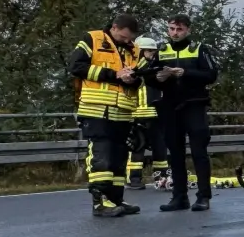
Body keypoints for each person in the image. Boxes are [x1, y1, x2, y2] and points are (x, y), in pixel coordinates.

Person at [68, 14, 143, 217]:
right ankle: (100, 202)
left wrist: (133, 79)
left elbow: (140, 78)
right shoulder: (92, 39)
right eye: (124, 37)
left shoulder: (134, 48)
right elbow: (76, 67)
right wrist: (113, 75)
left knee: (119, 158)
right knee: (102, 157)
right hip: (96, 109)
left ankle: (116, 199)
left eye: (130, 38)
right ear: (114, 27)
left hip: (123, 112)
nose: (127, 42)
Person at [156, 14, 220, 211]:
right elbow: (149, 76)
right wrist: (158, 76)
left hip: (194, 105)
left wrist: (186, 73)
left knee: (199, 152)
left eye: (180, 29)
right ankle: (179, 197)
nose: (175, 33)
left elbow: (211, 74)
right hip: (170, 107)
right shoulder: (161, 50)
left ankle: (203, 197)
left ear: (188, 30)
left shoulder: (198, 49)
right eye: (172, 29)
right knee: (175, 154)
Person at [126, 37, 170, 189]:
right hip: (138, 115)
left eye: (153, 51)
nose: (152, 53)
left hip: (156, 114)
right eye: (149, 50)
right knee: (138, 147)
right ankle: (134, 179)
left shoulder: (156, 66)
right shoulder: (134, 66)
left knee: (160, 147)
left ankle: (162, 176)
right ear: (140, 51)